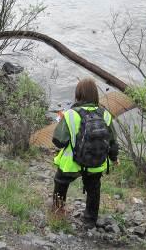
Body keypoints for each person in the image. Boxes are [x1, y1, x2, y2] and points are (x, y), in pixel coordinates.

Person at [52, 78, 119, 228]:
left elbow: (58, 142)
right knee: (94, 188)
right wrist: (114, 158)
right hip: (96, 163)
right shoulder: (105, 115)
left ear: (78, 94)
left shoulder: (70, 114)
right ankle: (90, 220)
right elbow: (113, 141)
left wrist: (61, 123)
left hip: (72, 164)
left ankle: (58, 211)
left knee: (60, 182)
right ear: (95, 95)